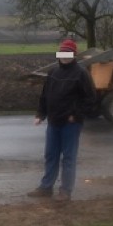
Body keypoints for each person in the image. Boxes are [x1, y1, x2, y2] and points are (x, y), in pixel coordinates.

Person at [27, 38, 97, 202]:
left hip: (70, 123)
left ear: (74, 54)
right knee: (51, 155)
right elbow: (45, 96)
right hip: (53, 121)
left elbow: (91, 98)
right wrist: (40, 115)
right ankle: (46, 188)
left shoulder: (81, 73)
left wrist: (76, 115)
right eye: (63, 52)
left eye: (68, 53)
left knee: (68, 158)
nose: (65, 56)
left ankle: (65, 191)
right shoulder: (53, 72)